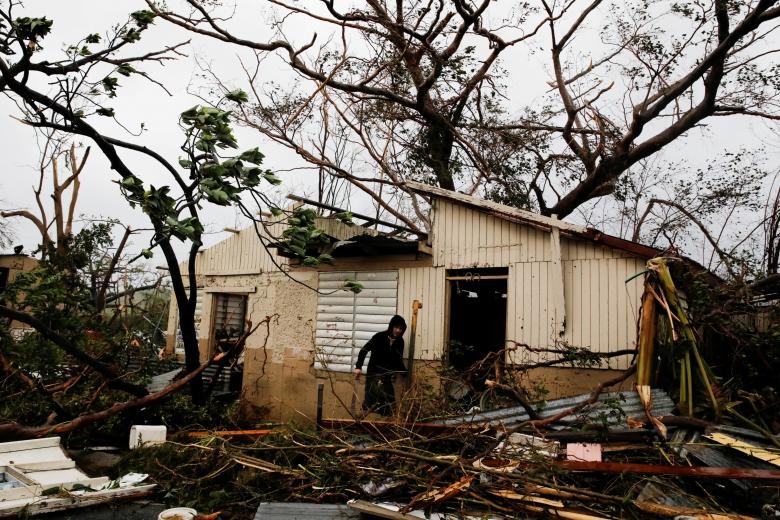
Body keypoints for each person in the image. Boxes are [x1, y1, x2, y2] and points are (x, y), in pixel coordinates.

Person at [354, 315, 407, 416]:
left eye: (401, 328)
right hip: (374, 374)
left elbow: (398, 360)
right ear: (391, 326)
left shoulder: (400, 342)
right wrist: (358, 367)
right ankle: (362, 423)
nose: (398, 330)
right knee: (370, 403)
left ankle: (384, 426)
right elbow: (364, 351)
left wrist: (405, 373)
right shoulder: (379, 337)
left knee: (389, 405)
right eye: (396, 327)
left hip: (387, 376)